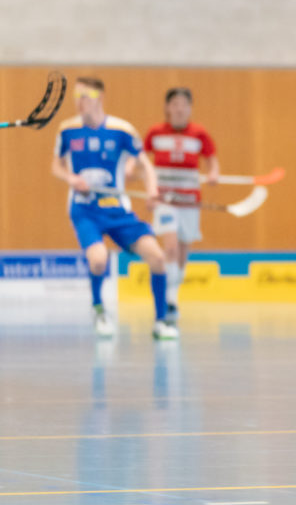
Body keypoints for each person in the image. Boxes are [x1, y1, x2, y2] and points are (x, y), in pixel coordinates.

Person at [51, 77, 171, 340]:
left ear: (100, 97)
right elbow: (56, 166)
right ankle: (98, 309)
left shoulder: (122, 130)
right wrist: (71, 179)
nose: (79, 101)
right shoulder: (67, 130)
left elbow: (145, 165)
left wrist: (152, 191)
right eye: (76, 95)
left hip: (119, 211)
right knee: (98, 260)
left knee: (158, 258)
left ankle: (161, 321)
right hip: (85, 211)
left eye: (85, 95)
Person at [143, 87, 218, 324]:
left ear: (190, 108)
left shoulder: (199, 134)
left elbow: (212, 161)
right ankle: (169, 297)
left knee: (183, 251)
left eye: (184, 104)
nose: (179, 109)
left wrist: (214, 174)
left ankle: (174, 290)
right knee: (171, 247)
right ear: (167, 107)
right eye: (174, 104)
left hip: (189, 201)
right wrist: (142, 182)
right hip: (165, 200)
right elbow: (142, 162)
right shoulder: (155, 133)